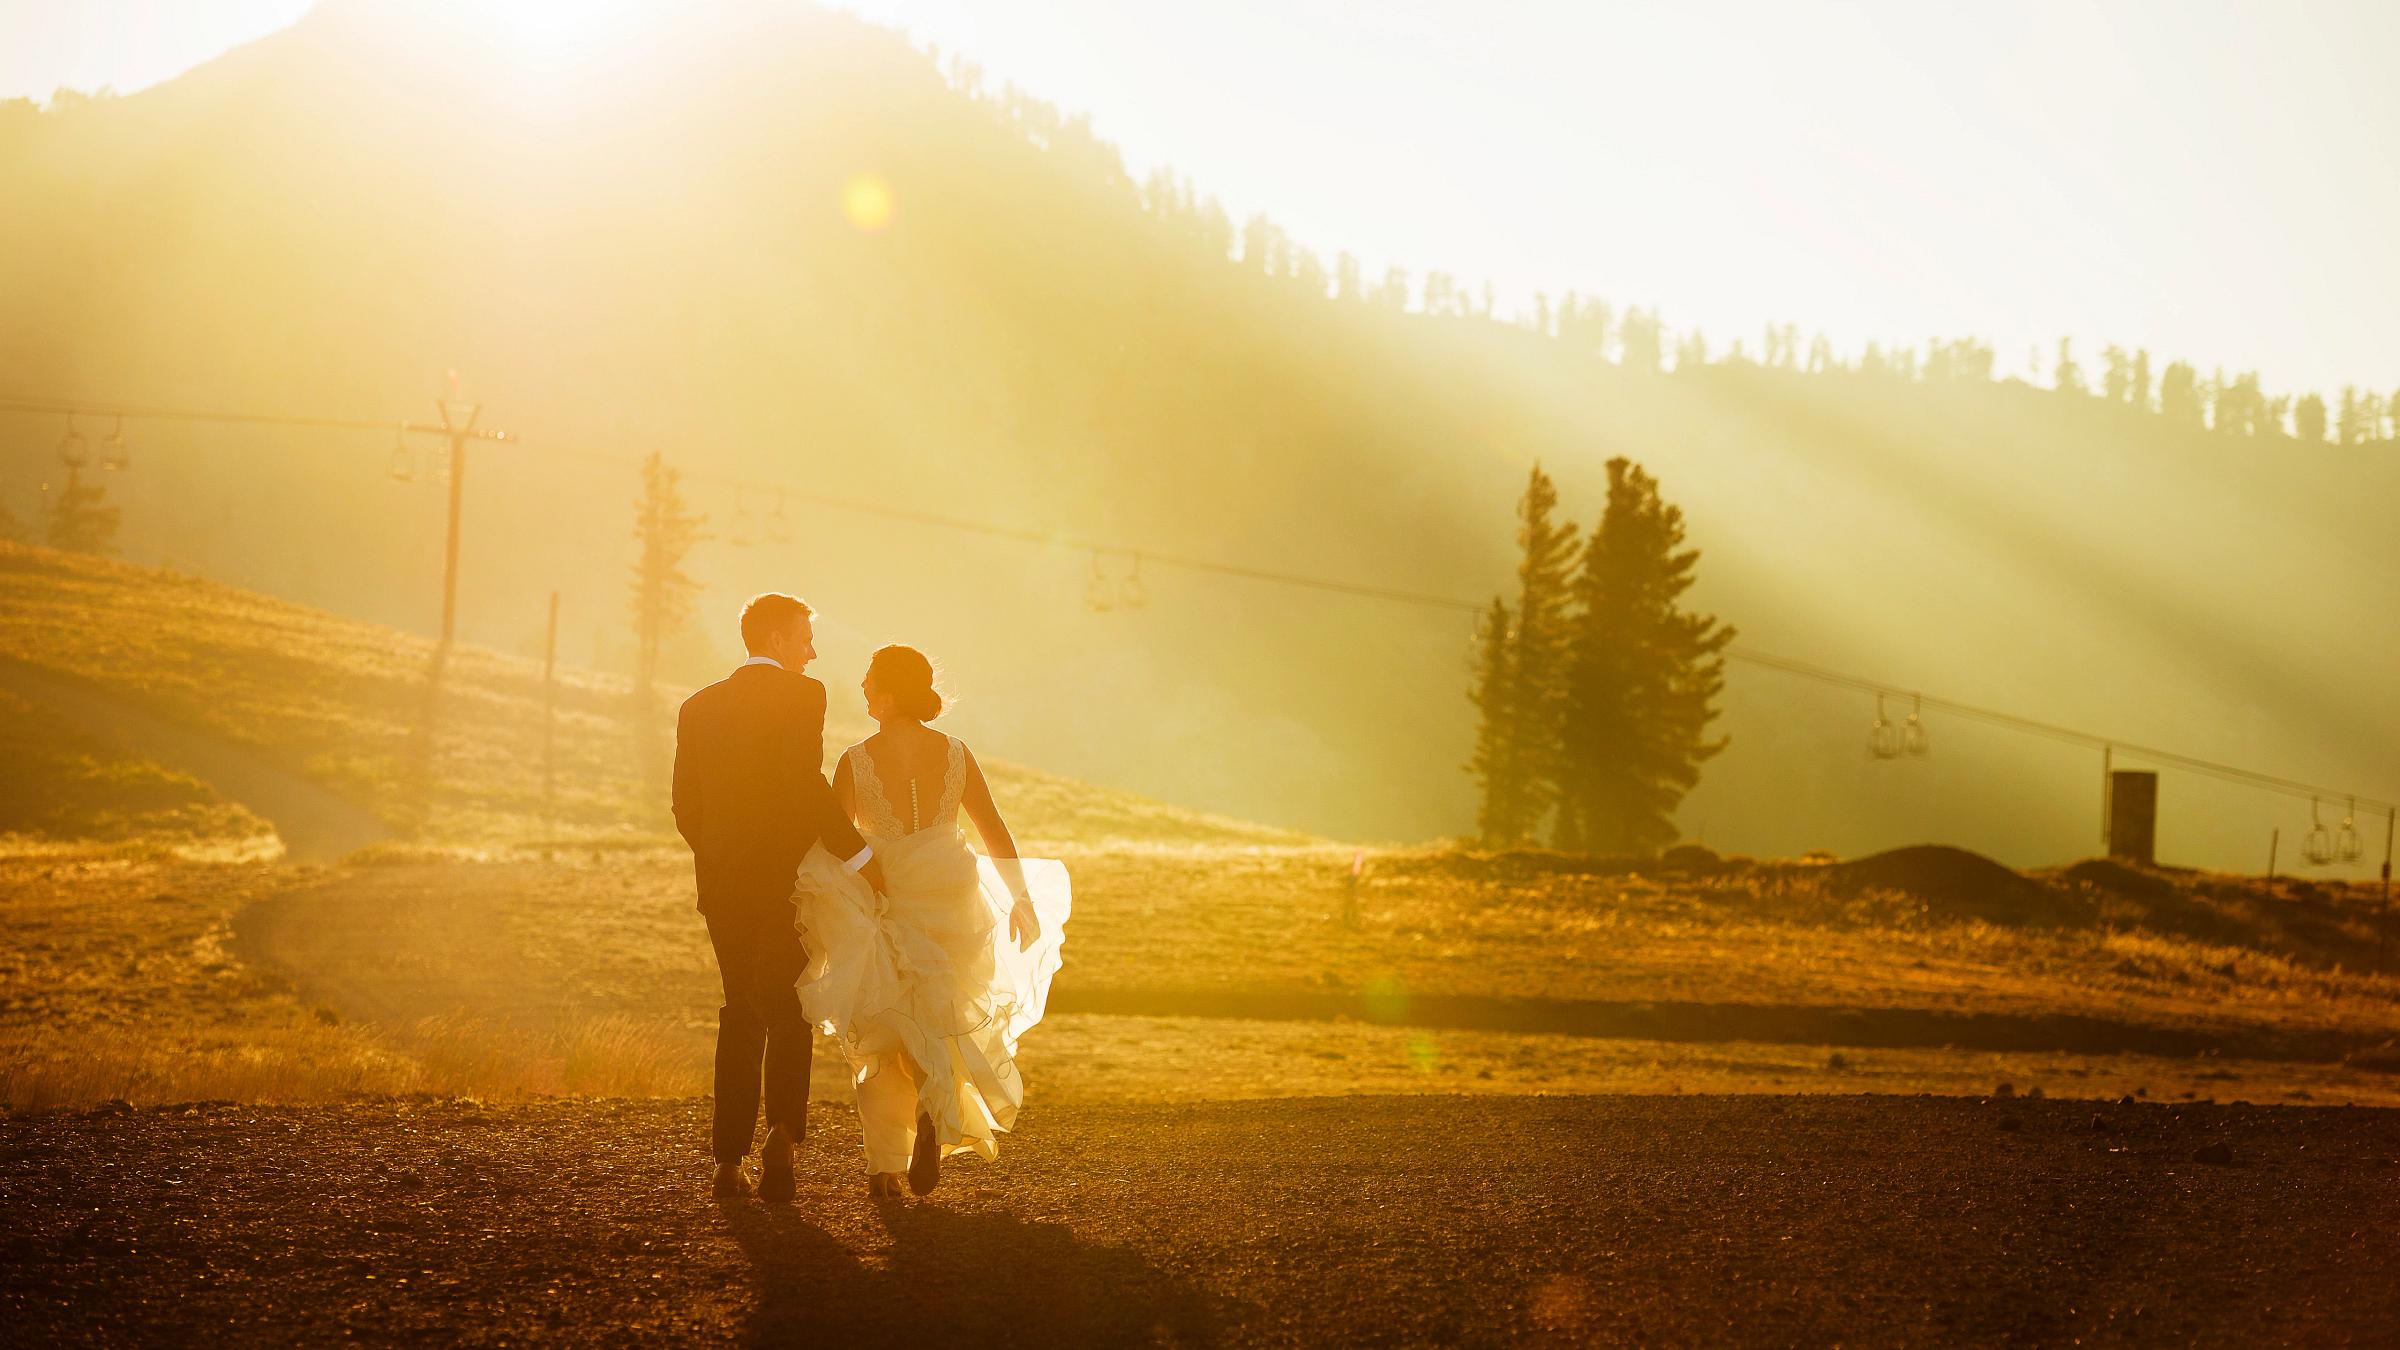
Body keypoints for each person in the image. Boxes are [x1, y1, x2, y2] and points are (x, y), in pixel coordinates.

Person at [792, 644, 1071, 1197]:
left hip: (890, 891)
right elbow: (993, 828)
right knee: (940, 1018)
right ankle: (929, 1114)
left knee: (884, 1029)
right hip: (949, 889)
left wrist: (818, 893)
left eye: (870, 682)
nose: (864, 689)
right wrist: (1019, 898)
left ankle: (885, 1167)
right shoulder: (956, 753)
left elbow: (839, 837)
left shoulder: (857, 759)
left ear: (891, 693)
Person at [672, 593, 888, 1203]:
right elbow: (802, 781)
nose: (812, 653)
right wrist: (859, 855)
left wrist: (715, 856)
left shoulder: (697, 706)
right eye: (803, 639)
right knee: (790, 1007)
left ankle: (727, 1159)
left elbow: (684, 805)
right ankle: (784, 1137)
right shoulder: (803, 696)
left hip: (720, 884)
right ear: (775, 640)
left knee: (739, 1008)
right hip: (783, 879)